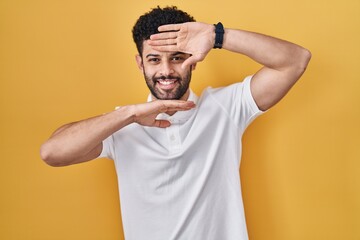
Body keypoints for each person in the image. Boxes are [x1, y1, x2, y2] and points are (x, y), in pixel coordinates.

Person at [40, 6, 311, 240]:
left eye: (177, 58)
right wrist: (130, 115)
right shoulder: (122, 124)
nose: (166, 71)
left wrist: (216, 35)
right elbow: (52, 153)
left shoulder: (226, 108)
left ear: (193, 62)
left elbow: (295, 61)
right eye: (154, 59)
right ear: (140, 63)